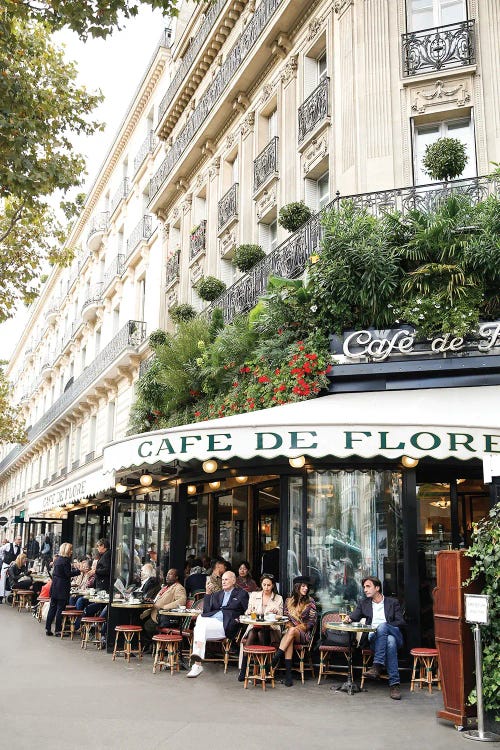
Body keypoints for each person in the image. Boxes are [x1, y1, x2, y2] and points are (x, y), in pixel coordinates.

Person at [345, 576, 405, 700]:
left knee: (383, 628)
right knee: (390, 642)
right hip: (375, 640)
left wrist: (385, 627)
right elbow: (354, 616)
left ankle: (377, 665)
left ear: (377, 588)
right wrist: (348, 618)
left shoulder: (392, 603)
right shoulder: (364, 603)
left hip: (394, 633)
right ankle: (394, 685)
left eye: (368, 586)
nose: (365, 590)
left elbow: (400, 622)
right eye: (364, 587)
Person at [187, 570, 248, 678]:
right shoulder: (218, 594)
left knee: (200, 624)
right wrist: (207, 594)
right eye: (222, 579)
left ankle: (197, 664)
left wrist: (238, 621)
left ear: (233, 581)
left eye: (226, 579)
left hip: (227, 625)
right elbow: (206, 611)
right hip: (211, 624)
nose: (223, 582)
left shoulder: (241, 593)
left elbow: (247, 611)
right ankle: (197, 664)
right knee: (201, 621)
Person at [271, 576, 317, 687]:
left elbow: (312, 622)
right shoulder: (288, 601)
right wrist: (291, 627)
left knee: (291, 631)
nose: (306, 588)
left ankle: (275, 659)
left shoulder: (310, 602)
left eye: (307, 586)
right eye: (303, 586)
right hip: (290, 633)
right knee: (290, 635)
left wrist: (297, 628)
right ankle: (288, 676)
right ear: (297, 587)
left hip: (304, 634)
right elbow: (286, 618)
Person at [238, 573, 284, 681]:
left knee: (260, 633)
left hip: (272, 628)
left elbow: (281, 616)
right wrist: (250, 611)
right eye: (264, 585)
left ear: (273, 585)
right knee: (254, 632)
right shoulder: (254, 595)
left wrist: (276, 612)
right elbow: (248, 611)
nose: (266, 587)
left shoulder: (278, 598)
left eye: (269, 585)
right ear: (261, 584)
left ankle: (263, 669)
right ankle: (244, 669)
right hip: (255, 626)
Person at [140, 568, 187, 650]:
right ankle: (151, 645)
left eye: (170, 574)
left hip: (162, 617)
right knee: (140, 620)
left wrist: (165, 607)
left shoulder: (178, 588)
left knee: (147, 625)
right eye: (167, 574)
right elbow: (159, 599)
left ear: (176, 577)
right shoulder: (166, 587)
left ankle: (157, 646)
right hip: (153, 613)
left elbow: (182, 601)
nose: (167, 576)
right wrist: (152, 600)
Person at [45, 543, 80, 636]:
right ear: (67, 550)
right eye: (71, 550)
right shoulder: (65, 561)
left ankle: (48, 628)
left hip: (55, 585)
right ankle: (58, 630)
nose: (72, 552)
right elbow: (68, 574)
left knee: (52, 608)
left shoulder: (57, 560)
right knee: (60, 608)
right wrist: (78, 571)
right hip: (62, 587)